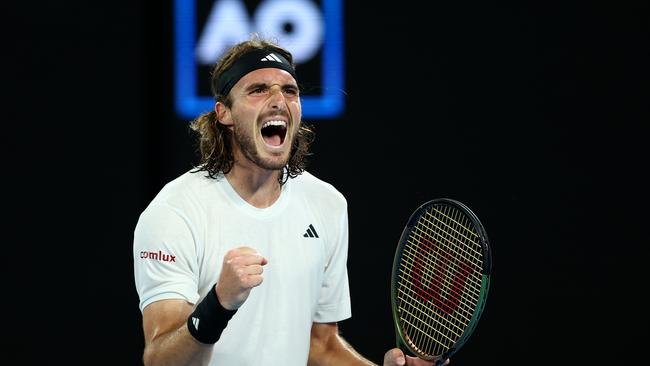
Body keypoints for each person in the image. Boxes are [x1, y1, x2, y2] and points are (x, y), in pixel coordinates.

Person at [133, 34, 449, 366]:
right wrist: (218, 303)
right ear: (223, 113)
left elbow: (321, 344)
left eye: (289, 90)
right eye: (258, 90)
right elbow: (161, 359)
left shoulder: (327, 203)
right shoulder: (174, 211)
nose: (278, 100)